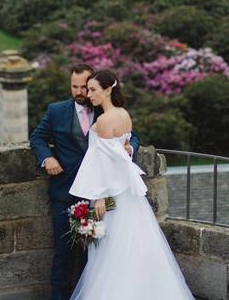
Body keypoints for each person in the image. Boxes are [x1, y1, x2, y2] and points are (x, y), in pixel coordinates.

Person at [68, 70, 194, 300]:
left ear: (108, 90)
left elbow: (104, 165)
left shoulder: (104, 121)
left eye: (93, 89)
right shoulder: (124, 114)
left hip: (112, 194)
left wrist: (97, 197)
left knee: (113, 251)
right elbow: (121, 155)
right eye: (88, 89)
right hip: (128, 193)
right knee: (136, 245)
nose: (88, 94)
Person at [29, 64, 140, 300]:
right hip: (65, 192)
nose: (80, 92)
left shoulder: (105, 110)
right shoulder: (56, 110)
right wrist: (47, 157)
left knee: (97, 255)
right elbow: (37, 137)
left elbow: (132, 136)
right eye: (74, 86)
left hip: (102, 195)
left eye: (84, 87)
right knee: (64, 254)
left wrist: (130, 148)